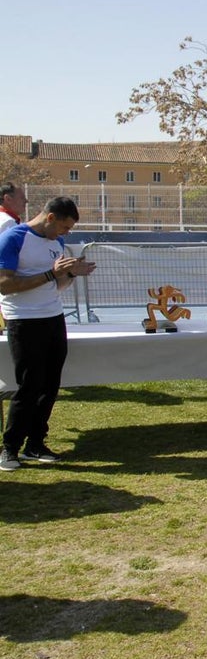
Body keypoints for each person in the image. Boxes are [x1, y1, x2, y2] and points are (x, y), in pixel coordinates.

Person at [0, 196, 96, 471]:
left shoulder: (57, 243)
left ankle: (35, 443)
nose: (66, 234)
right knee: (29, 385)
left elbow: (56, 287)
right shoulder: (14, 238)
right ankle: (10, 448)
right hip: (24, 320)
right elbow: (5, 285)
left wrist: (72, 274)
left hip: (53, 317)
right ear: (50, 217)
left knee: (50, 384)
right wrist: (50, 275)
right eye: (64, 227)